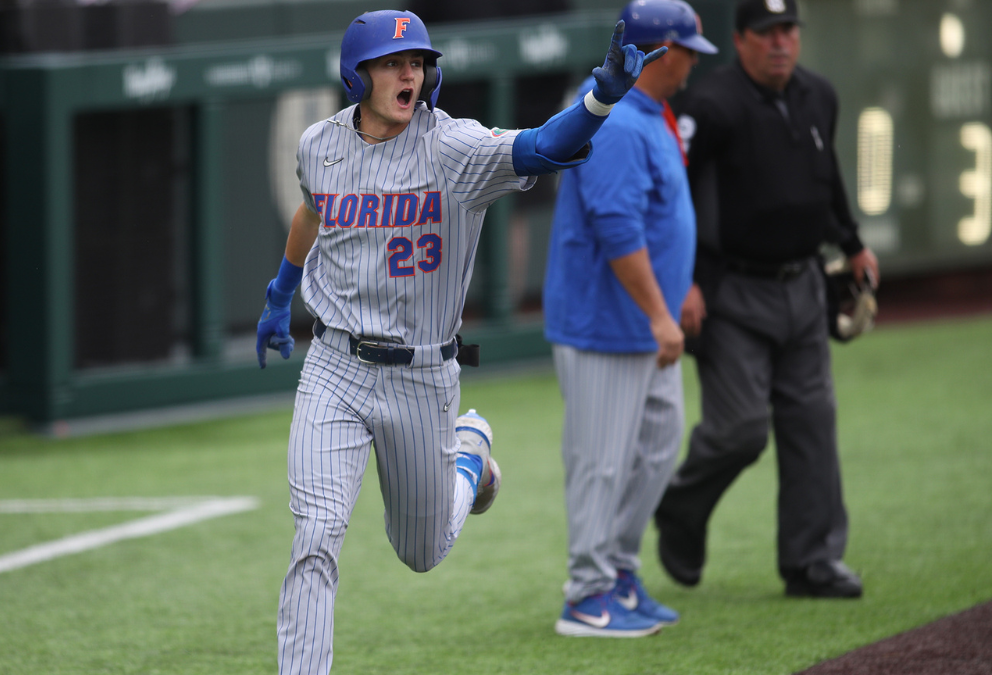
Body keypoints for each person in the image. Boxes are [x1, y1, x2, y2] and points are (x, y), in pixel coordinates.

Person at [256, 10, 663, 673]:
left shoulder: (454, 148)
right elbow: (310, 210)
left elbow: (541, 147)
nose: (408, 72)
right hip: (333, 364)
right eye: (392, 63)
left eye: (416, 61)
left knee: (420, 550)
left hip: (422, 375)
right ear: (357, 75)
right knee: (316, 533)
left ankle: (469, 453)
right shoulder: (319, 144)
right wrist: (280, 293)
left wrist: (601, 97)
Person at [654, 0, 879, 599]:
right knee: (741, 430)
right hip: (731, 291)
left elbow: (826, 173)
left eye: (788, 31)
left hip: (804, 284)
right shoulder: (712, 105)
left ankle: (812, 561)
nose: (780, 42)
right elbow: (677, 192)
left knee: (812, 422)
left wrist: (852, 244)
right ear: (742, 40)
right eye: (766, 32)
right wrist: (688, 279)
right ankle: (680, 508)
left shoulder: (818, 95)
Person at [545, 0, 716, 638]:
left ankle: (616, 572)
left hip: (646, 326)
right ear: (658, 54)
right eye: (686, 51)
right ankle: (585, 596)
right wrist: (659, 314)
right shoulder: (615, 121)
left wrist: (679, 292)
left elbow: (663, 219)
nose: (694, 63)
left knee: (652, 452)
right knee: (601, 461)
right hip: (606, 327)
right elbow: (617, 230)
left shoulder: (651, 113)